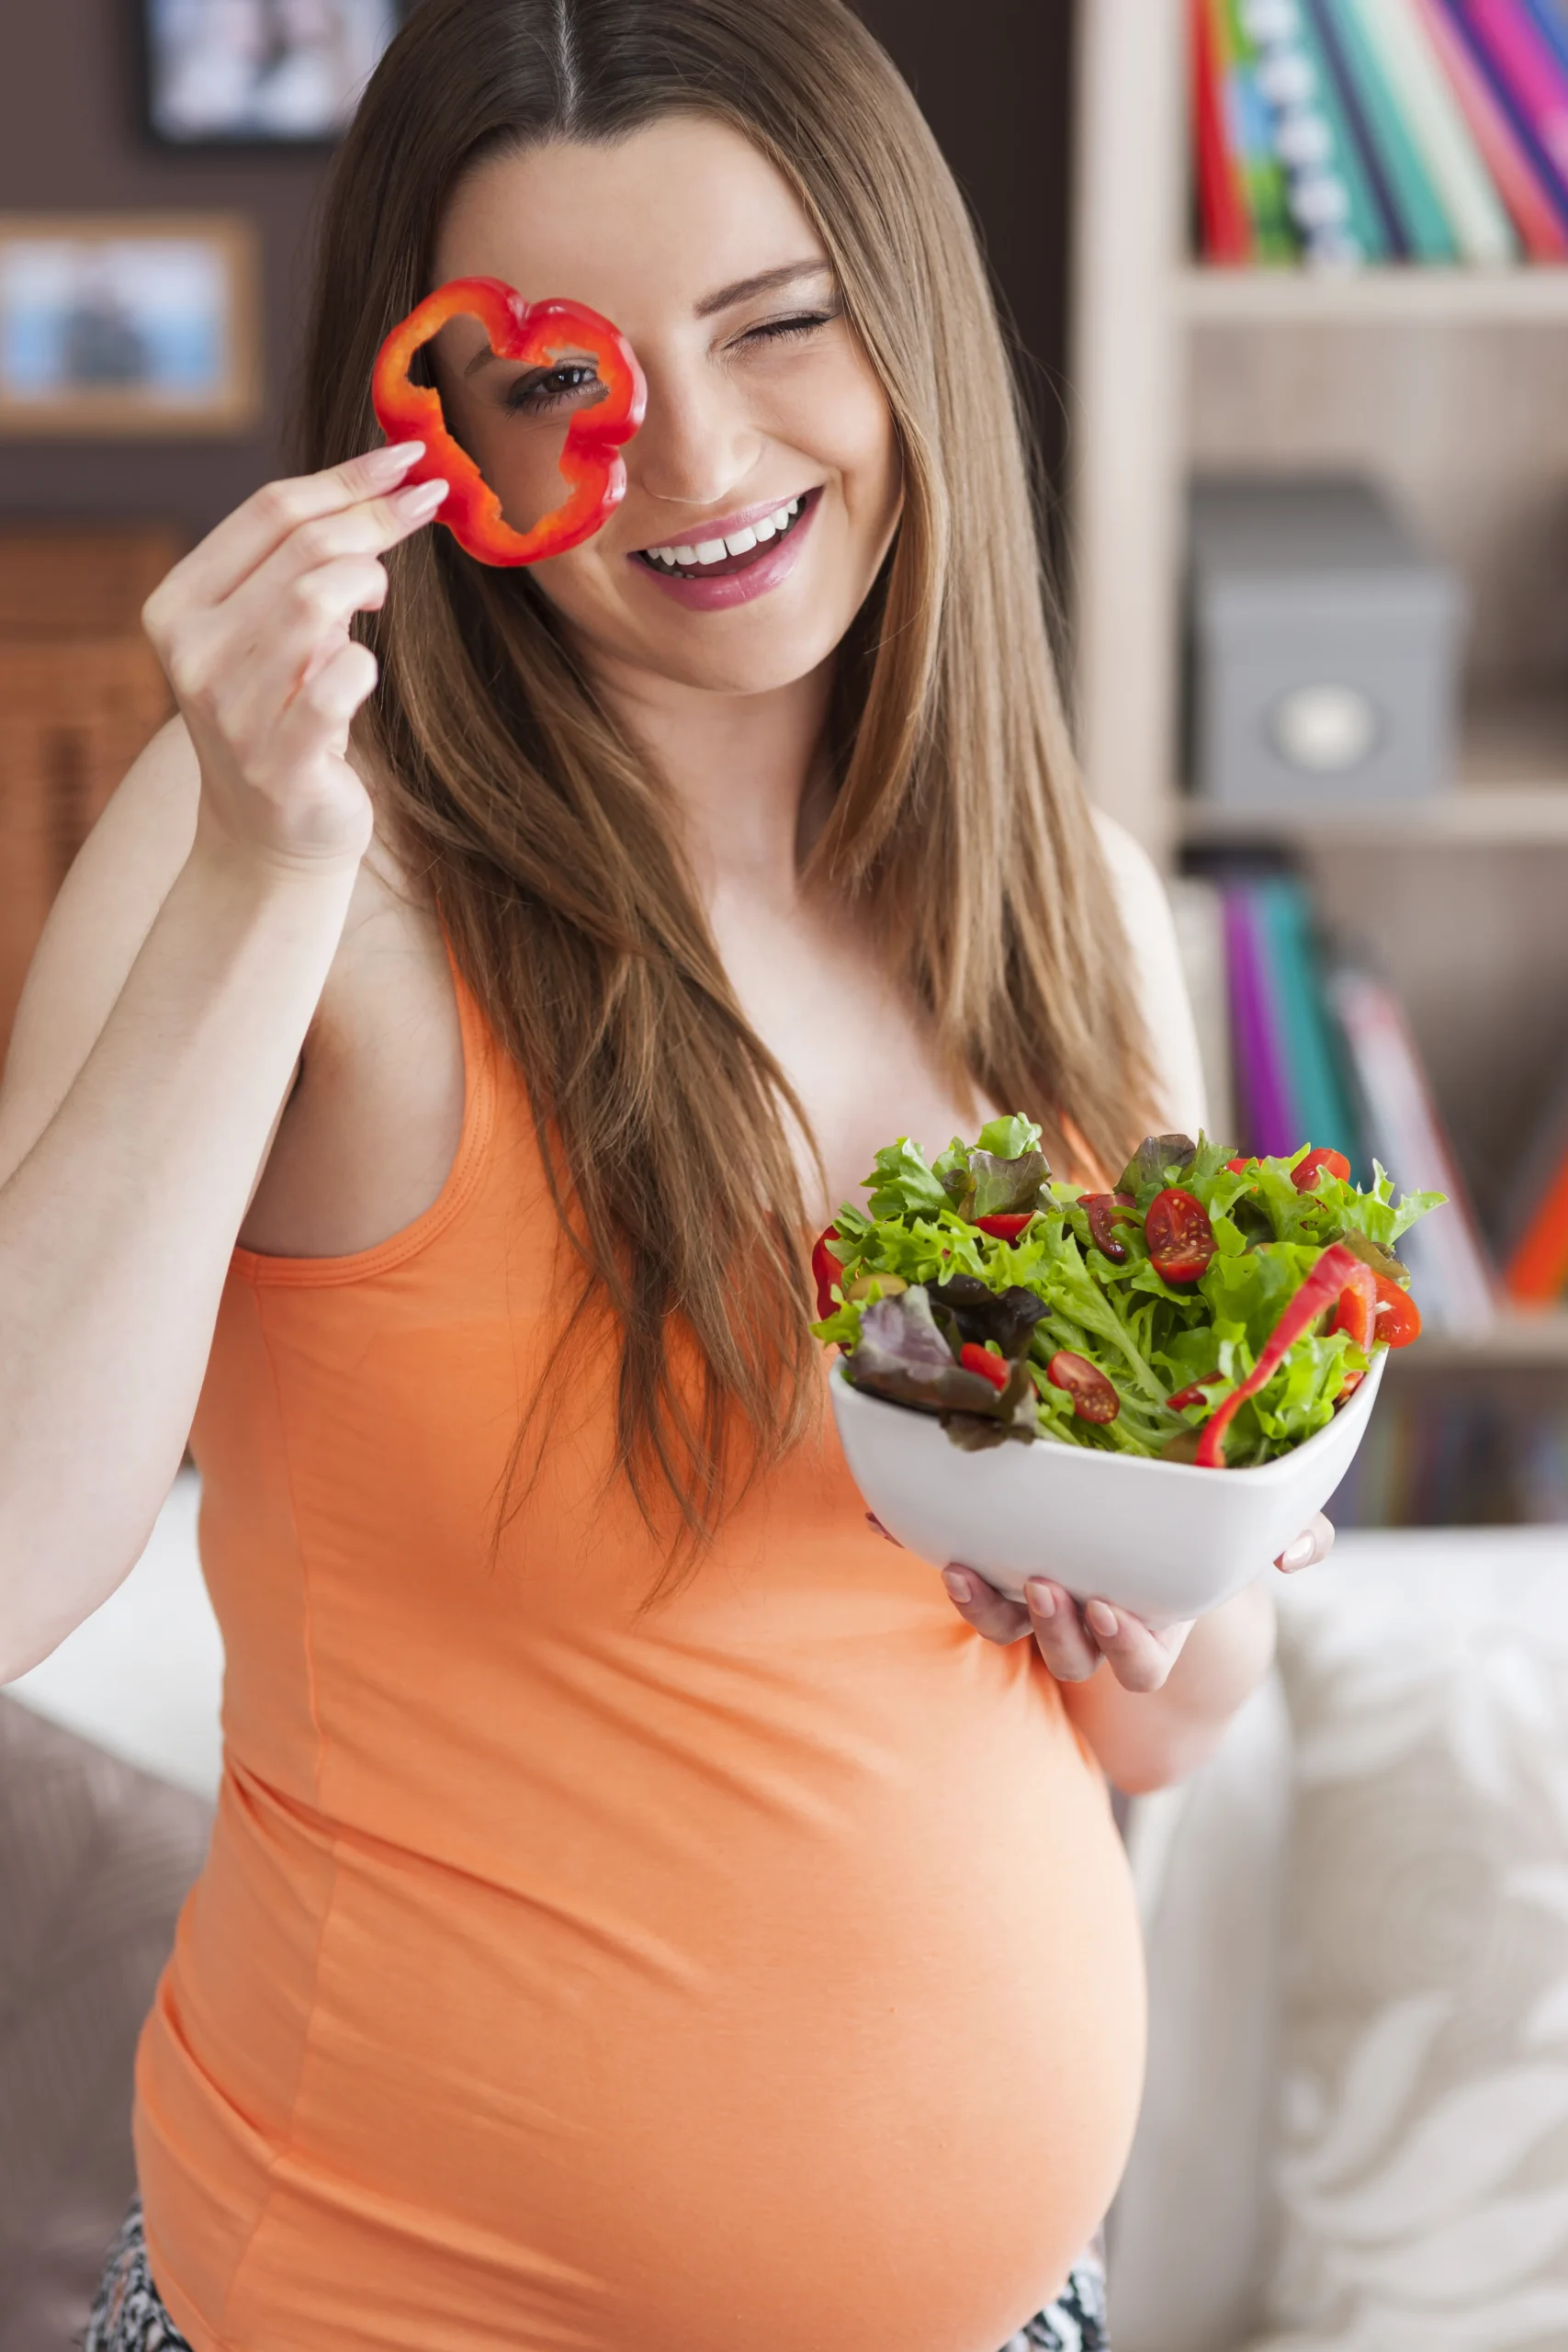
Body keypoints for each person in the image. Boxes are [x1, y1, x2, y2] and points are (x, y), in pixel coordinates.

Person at [0, 3, 1329, 2346]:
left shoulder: (1071, 902)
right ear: (434, 430)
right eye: (556, 382)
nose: (688, 456)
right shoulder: (312, 872)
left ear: (903, 306)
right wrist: (254, 859)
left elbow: (1165, 1710)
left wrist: (1141, 1585)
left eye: (779, 322)